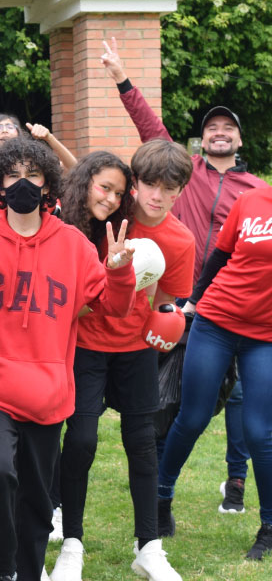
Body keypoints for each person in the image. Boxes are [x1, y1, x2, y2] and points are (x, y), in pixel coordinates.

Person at [0, 137, 136, 581]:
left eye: (33, 174)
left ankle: (26, 571)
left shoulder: (75, 245)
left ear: (48, 184)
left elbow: (114, 308)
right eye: (13, 175)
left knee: (37, 501)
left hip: (47, 394)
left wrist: (119, 271)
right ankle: (3, 569)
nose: (23, 183)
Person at [100, 37, 267, 513]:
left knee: (237, 397)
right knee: (171, 401)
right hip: (178, 300)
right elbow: (151, 130)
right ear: (201, 139)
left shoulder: (256, 190)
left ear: (239, 140)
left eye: (228, 128)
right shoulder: (182, 174)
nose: (220, 133)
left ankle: (236, 480)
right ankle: (160, 493)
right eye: (212, 127)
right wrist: (121, 78)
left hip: (232, 306)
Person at [52, 143, 194, 581]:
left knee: (143, 444)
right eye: (150, 184)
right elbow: (83, 184)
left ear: (180, 191)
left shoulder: (181, 240)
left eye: (168, 188)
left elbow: (164, 302)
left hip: (135, 349)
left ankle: (148, 547)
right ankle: (71, 543)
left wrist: (164, 319)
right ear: (136, 184)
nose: (157, 195)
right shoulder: (107, 216)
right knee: (81, 441)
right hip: (86, 343)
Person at [157, 184, 272, 561]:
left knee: (259, 431)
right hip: (216, 321)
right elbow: (220, 256)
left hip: (265, 336)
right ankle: (160, 500)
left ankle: (269, 527)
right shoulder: (252, 200)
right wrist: (192, 302)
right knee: (192, 417)